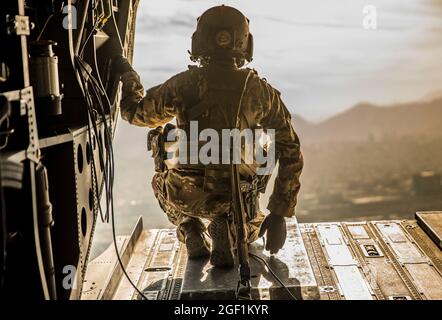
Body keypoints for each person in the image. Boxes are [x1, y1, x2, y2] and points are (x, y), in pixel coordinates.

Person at [112, 5, 303, 268]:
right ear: (245, 44)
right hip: (237, 201)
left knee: (159, 181)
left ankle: (188, 226)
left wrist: (128, 76)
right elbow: (290, 147)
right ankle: (234, 231)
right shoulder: (259, 91)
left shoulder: (182, 85)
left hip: (185, 197)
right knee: (255, 223)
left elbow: (135, 114)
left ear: (199, 42)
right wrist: (280, 213)